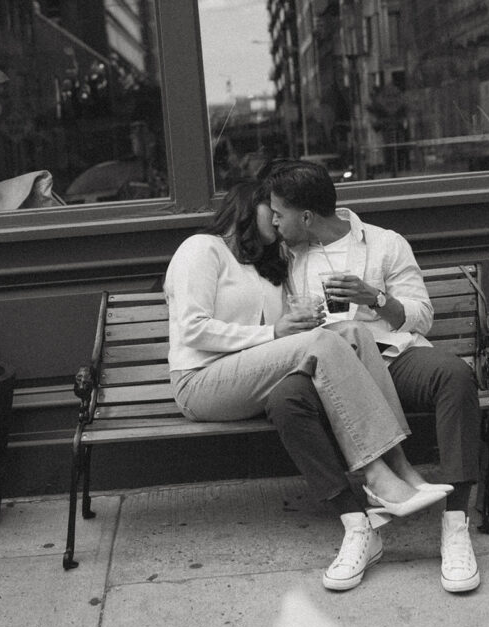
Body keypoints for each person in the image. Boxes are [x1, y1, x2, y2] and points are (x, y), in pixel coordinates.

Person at [164, 180, 451, 592]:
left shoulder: (265, 265)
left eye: (284, 212)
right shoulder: (201, 249)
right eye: (272, 209)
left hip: (251, 375)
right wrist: (274, 333)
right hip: (203, 383)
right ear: (249, 206)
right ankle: (376, 476)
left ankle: (401, 467)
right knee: (327, 340)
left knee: (351, 330)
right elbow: (192, 330)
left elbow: (282, 336)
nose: (279, 220)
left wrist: (296, 321)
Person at [267, 160, 482, 594]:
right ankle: (357, 525)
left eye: (279, 213)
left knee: (455, 375)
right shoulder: (288, 256)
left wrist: (376, 298)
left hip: (391, 357)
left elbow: (421, 317)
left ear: (306, 216)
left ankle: (455, 524)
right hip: (328, 367)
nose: (273, 221)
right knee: (284, 401)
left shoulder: (384, 244)